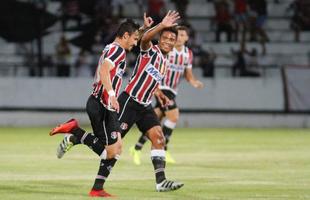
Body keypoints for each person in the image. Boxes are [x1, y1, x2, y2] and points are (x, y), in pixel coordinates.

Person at [49, 17, 149, 197]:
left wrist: (143, 28)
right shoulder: (118, 50)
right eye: (135, 39)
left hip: (105, 105)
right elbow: (104, 70)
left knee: (117, 148)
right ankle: (76, 133)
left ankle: (97, 188)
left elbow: (129, 36)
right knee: (109, 153)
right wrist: (111, 94)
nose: (136, 43)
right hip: (101, 104)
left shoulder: (113, 47)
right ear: (125, 36)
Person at [129, 25, 204, 165]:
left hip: (173, 90)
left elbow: (188, 76)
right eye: (178, 35)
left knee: (153, 123)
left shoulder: (188, 54)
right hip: (161, 88)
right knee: (174, 115)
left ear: (187, 38)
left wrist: (194, 82)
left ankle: (136, 148)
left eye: (182, 35)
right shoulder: (168, 50)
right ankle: (164, 148)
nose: (179, 38)